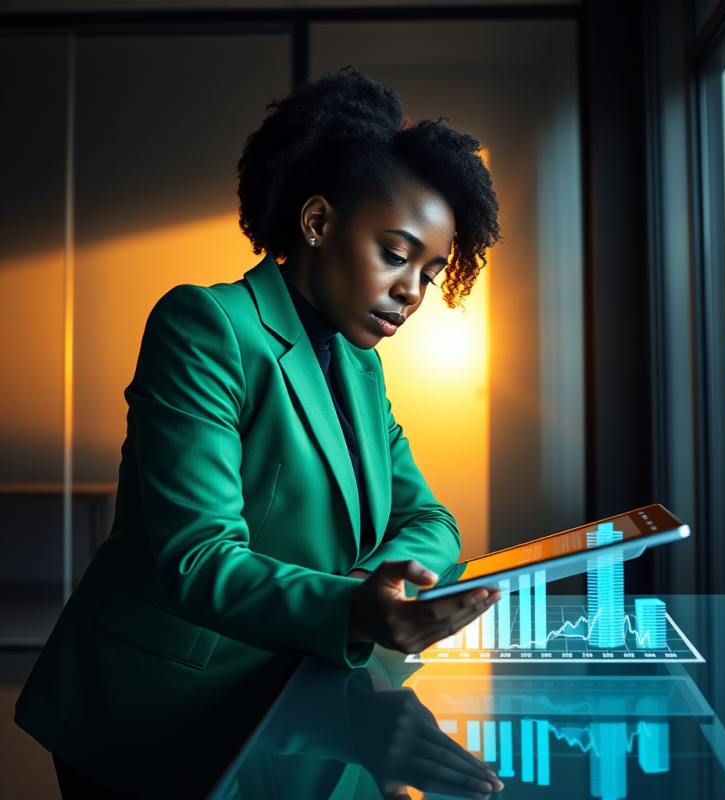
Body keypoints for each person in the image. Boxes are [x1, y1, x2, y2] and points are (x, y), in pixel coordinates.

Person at [15, 65, 503, 800]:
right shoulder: (206, 325)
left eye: (431, 273)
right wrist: (356, 607)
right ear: (318, 223)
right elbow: (198, 559)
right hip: (149, 711)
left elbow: (429, 519)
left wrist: (381, 585)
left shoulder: (358, 365)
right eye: (396, 254)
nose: (412, 291)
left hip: (284, 701)